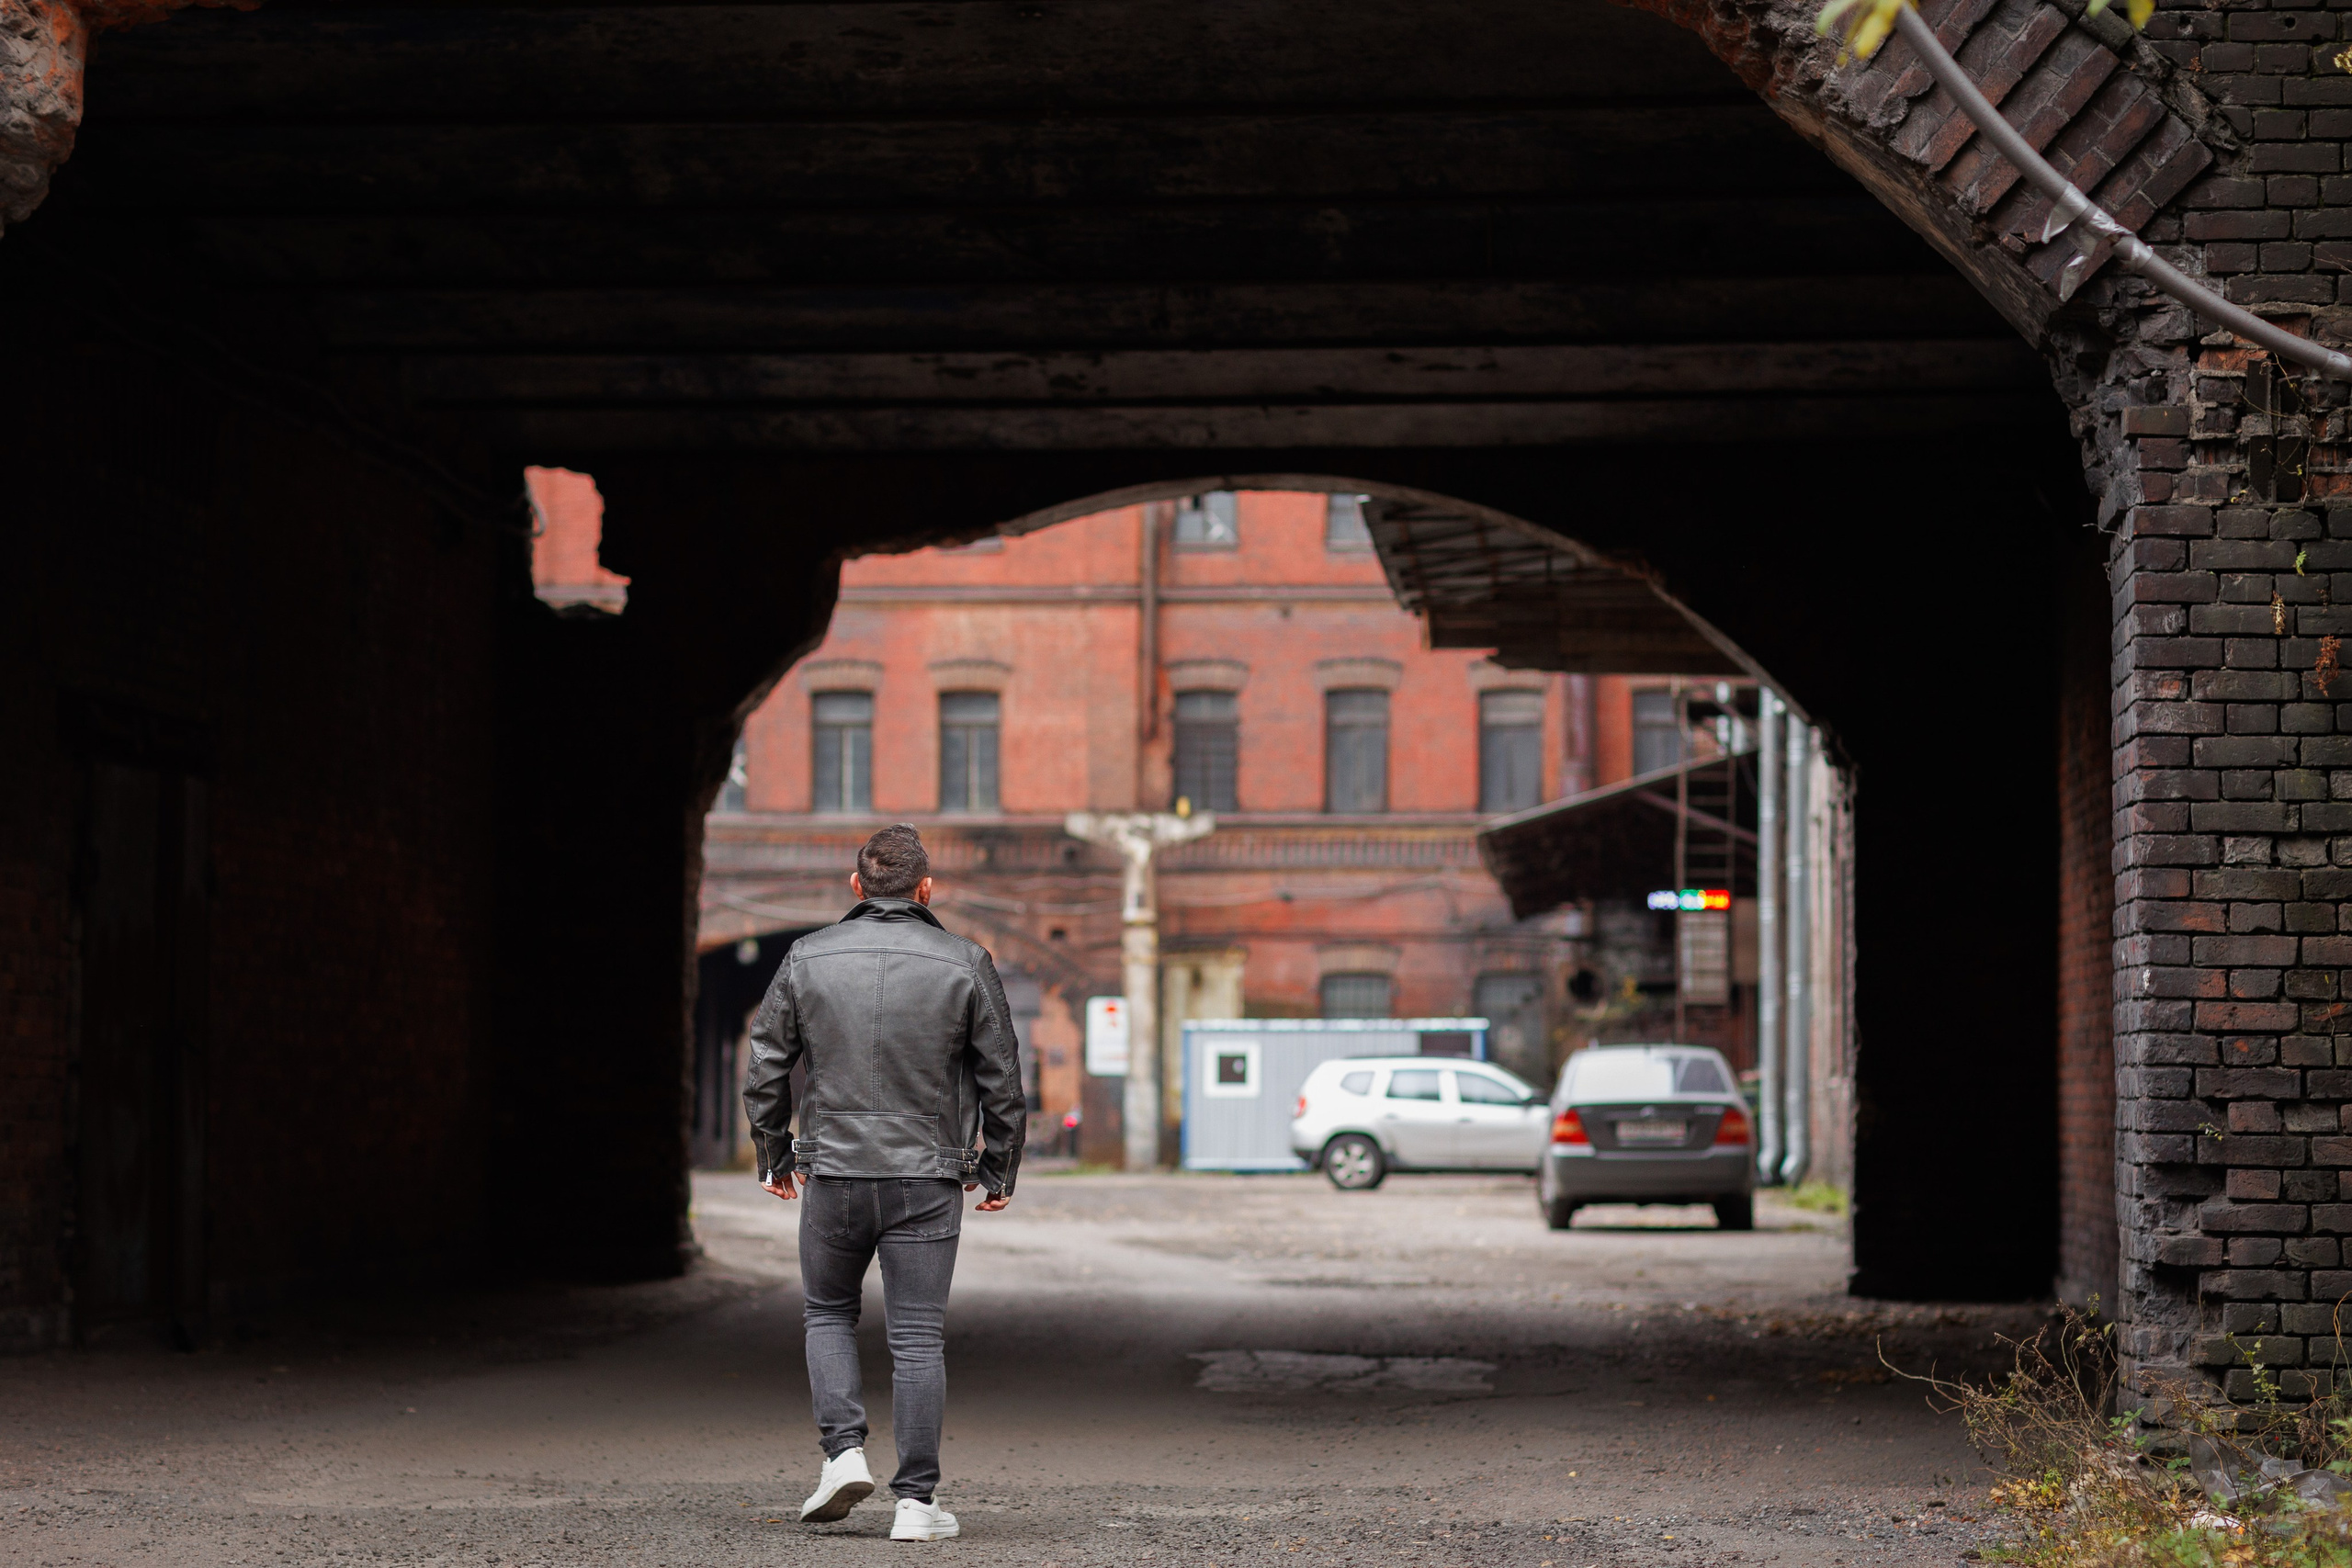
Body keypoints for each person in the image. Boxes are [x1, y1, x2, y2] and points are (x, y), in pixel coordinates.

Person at [743, 823, 1026, 1542]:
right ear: (926, 889)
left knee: (829, 1313)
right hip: (926, 1177)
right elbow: (1003, 1076)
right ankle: (915, 1503)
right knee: (918, 1337)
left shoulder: (806, 957)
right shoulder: (966, 961)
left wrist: (776, 1153)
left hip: (833, 1171)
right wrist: (999, 1165)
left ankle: (842, 1454)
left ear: (855, 885)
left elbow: (766, 1060)